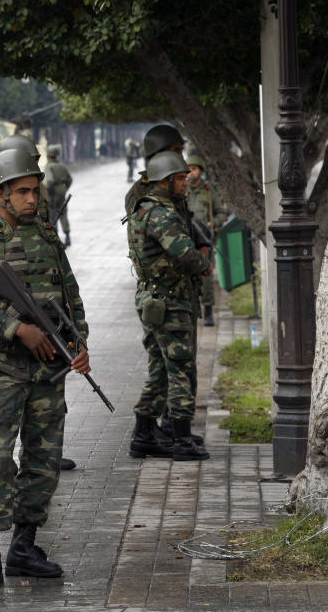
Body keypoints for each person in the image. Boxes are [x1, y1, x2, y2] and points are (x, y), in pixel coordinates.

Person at [0, 148, 91, 590]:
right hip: (4, 371)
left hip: (49, 372)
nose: (32, 199)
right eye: (23, 192)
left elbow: (71, 295)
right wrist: (16, 328)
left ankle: (25, 548)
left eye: (35, 191)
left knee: (43, 460)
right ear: (0, 196)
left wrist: (78, 344)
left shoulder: (46, 236)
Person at [127, 150, 212, 462]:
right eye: (180, 178)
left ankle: (144, 434)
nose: (185, 183)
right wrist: (203, 260)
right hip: (169, 301)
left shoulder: (145, 208)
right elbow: (184, 254)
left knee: (161, 369)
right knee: (179, 367)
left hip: (156, 298)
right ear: (164, 181)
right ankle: (180, 437)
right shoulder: (161, 214)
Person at [185, 152, 228, 326]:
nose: (191, 173)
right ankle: (192, 311)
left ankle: (208, 310)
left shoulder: (209, 191)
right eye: (188, 169)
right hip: (187, 240)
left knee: (207, 276)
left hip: (205, 240)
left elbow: (221, 212)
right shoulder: (182, 190)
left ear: (200, 171)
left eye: (194, 169)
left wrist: (213, 223)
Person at [43, 144, 72, 248]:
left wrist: (48, 191)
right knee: (63, 212)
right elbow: (69, 179)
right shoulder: (62, 165)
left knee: (52, 214)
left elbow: (49, 180)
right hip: (62, 190)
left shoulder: (49, 166)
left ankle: (56, 237)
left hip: (53, 192)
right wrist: (65, 189)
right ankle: (67, 235)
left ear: (49, 156)